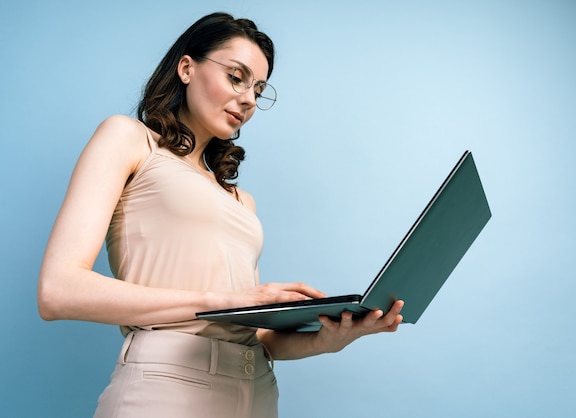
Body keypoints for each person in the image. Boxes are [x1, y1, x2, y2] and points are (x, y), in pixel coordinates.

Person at [37, 12, 404, 418]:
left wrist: (330, 338)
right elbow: (59, 290)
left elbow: (253, 334)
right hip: (166, 388)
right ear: (187, 68)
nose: (249, 98)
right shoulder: (129, 140)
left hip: (256, 392)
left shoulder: (240, 200)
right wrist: (225, 301)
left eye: (258, 89)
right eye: (236, 76)